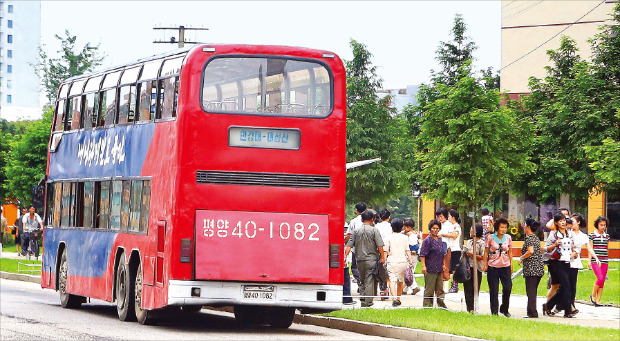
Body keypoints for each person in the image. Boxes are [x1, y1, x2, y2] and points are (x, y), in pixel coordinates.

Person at [344, 210, 385, 308]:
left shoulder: (356, 231)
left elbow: (349, 245)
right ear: (372, 219)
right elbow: (380, 245)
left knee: (361, 279)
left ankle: (362, 299)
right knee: (369, 280)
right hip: (371, 259)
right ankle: (368, 301)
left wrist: (345, 256)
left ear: (362, 219)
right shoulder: (374, 231)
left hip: (359, 260)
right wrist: (383, 257)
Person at [542, 212, 577, 318]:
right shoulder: (553, 234)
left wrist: (574, 252)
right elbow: (545, 249)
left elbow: (574, 246)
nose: (563, 222)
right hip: (555, 263)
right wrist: (554, 244)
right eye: (560, 221)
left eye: (564, 220)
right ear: (556, 223)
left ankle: (548, 305)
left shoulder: (570, 233)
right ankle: (567, 312)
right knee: (566, 286)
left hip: (567, 262)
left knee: (564, 287)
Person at [483, 217, 513, 317]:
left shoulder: (508, 237)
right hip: (493, 266)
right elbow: (486, 251)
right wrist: (485, 264)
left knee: (508, 288)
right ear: (497, 227)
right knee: (494, 290)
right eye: (502, 227)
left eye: (505, 227)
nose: (504, 229)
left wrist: (511, 264)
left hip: (505, 266)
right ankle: (494, 312)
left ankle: (504, 309)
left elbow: (510, 252)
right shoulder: (490, 238)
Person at [568, 214, 597, 313]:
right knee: (564, 285)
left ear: (578, 222)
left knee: (572, 285)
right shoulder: (568, 233)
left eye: (573, 221)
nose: (571, 223)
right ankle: (565, 306)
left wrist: (595, 257)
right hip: (566, 261)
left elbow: (589, 248)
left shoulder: (583, 235)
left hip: (575, 262)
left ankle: (571, 305)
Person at [383, 218, 413, 307]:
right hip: (403, 262)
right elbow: (407, 250)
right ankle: (399, 298)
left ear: (392, 227)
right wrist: (410, 261)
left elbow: (385, 251)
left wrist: (383, 261)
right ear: (402, 227)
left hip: (392, 261)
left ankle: (394, 298)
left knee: (392, 280)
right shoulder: (405, 237)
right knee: (400, 281)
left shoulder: (388, 237)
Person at [519, 218, 545, 318]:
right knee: (532, 291)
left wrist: (521, 257)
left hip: (531, 268)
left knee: (531, 292)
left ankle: (533, 313)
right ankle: (530, 311)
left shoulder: (529, 238)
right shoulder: (536, 237)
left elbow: (530, 251)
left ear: (528, 227)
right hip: (538, 268)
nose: (524, 227)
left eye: (525, 225)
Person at [420, 219, 447, 309]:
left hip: (439, 267)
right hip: (430, 267)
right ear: (430, 229)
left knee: (440, 288)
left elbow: (441, 253)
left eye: (437, 228)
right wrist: (423, 266)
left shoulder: (439, 239)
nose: (435, 230)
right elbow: (423, 254)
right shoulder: (428, 240)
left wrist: (443, 264)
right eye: (433, 228)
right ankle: (428, 306)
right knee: (429, 289)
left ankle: (441, 306)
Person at [462, 224, 485, 313]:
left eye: (471, 230)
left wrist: (473, 255)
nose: (470, 232)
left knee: (475, 287)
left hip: (477, 268)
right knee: (467, 288)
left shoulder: (481, 243)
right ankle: (470, 308)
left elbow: (483, 257)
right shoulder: (469, 242)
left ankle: (475, 306)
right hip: (468, 267)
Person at [589, 216, 610, 307]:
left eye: (604, 225)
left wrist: (607, 258)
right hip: (595, 260)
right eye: (601, 225)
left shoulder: (607, 236)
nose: (603, 227)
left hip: (605, 260)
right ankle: (593, 295)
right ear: (597, 225)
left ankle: (598, 301)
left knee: (602, 281)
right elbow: (590, 249)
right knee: (600, 278)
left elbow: (607, 248)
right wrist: (589, 261)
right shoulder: (592, 235)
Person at [345, 202, 367, 286]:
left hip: (356, 248)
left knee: (355, 267)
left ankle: (360, 282)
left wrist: (345, 242)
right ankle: (364, 283)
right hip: (368, 248)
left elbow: (349, 234)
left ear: (357, 211)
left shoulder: (353, 221)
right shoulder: (370, 220)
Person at [441, 209, 462, 293]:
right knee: (448, 268)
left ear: (453, 217)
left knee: (454, 269)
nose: (448, 218)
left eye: (449, 216)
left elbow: (454, 235)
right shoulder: (448, 226)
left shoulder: (456, 227)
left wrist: (443, 234)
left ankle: (454, 285)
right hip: (448, 249)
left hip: (455, 250)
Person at [375, 209, 393, 300]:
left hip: (379, 251)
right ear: (389, 217)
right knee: (388, 272)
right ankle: (387, 288)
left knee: (381, 270)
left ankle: (383, 289)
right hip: (390, 251)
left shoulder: (376, 226)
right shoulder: (391, 227)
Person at [402, 218, 421, 295]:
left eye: (405, 227)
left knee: (408, 273)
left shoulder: (411, 236)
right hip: (414, 256)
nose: (404, 228)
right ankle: (404, 289)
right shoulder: (415, 234)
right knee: (409, 272)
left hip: (411, 256)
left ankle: (414, 287)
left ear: (409, 227)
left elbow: (413, 246)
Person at [435, 208, 453, 290]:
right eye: (438, 217)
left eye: (441, 216)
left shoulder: (449, 225)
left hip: (446, 247)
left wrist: (443, 234)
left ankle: (445, 287)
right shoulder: (439, 225)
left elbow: (453, 235)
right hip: (438, 247)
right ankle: (440, 286)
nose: (440, 218)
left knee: (445, 266)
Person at [342, 223, 356, 305]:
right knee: (346, 278)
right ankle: (346, 298)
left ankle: (346, 297)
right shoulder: (345, 237)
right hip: (342, 259)